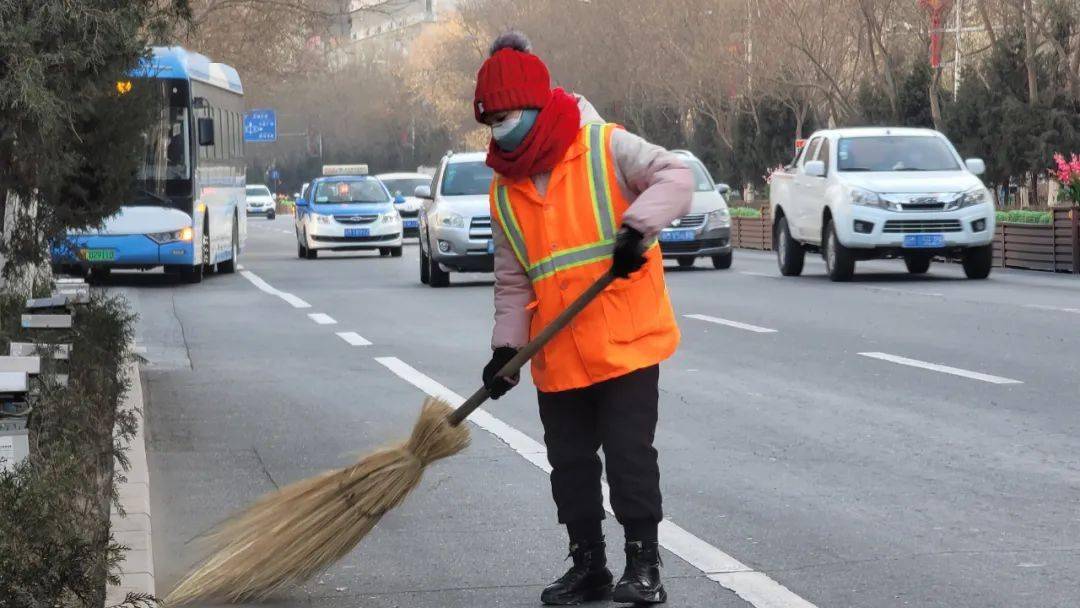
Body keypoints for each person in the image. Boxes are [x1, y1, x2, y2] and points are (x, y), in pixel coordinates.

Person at [474, 32, 693, 606]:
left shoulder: (604, 145)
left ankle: (644, 565)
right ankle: (588, 563)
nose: (500, 129)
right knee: (569, 464)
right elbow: (513, 280)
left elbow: (677, 178)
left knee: (628, 457)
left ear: (536, 103)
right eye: (490, 120)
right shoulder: (504, 189)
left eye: (506, 115)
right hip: (558, 350)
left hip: (625, 340)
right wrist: (505, 352)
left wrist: (636, 229)